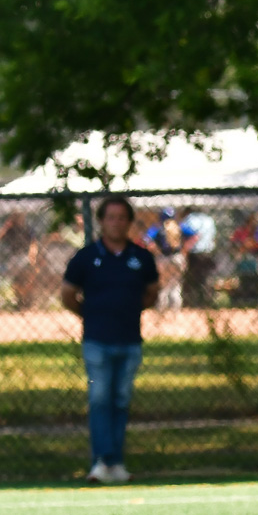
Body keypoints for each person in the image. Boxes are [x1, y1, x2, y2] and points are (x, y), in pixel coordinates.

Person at [61, 195, 159, 485]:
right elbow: (68, 294)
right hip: (97, 340)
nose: (116, 223)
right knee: (99, 397)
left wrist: (128, 310)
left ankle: (115, 461)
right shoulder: (85, 257)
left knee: (120, 400)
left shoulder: (141, 258)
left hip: (129, 340)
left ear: (129, 222)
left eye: (122, 217)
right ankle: (104, 460)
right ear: (101, 222)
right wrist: (90, 314)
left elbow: (151, 292)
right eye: (111, 217)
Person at [179, 206, 218, 308]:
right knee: (206, 277)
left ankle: (191, 303)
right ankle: (207, 303)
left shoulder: (190, 218)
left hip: (194, 253)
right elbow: (213, 237)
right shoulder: (209, 219)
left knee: (191, 278)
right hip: (208, 252)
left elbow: (185, 234)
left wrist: (184, 250)